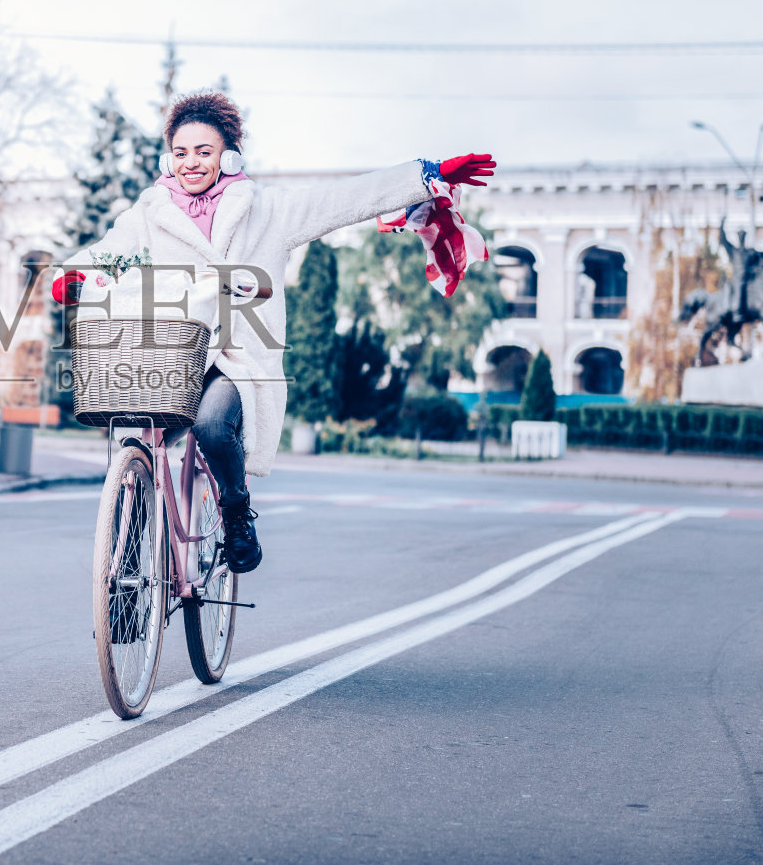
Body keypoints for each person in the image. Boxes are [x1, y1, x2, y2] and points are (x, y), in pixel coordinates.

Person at [53, 91, 494, 573]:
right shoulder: (148, 213)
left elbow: (341, 200)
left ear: (229, 155)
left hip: (237, 358)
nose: (191, 163)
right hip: (169, 355)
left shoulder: (265, 211)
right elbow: (109, 250)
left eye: (204, 151)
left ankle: (237, 513)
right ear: (168, 157)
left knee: (212, 426)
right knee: (135, 449)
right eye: (181, 153)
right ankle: (123, 578)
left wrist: (423, 176)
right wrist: (73, 274)